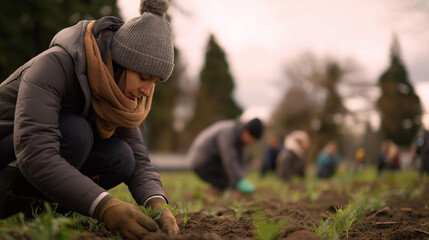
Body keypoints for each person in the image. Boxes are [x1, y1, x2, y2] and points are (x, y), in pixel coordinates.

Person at [0, 0, 179, 239]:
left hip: (33, 162)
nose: (147, 92)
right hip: (11, 151)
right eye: (144, 77)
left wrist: (157, 203)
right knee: (76, 133)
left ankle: (47, 213)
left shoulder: (115, 91)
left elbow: (138, 157)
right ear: (119, 62)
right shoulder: (54, 66)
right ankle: (10, 207)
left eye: (154, 83)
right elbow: (35, 152)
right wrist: (103, 206)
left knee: (122, 157)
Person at [188, 118, 264, 195]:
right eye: (252, 139)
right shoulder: (228, 132)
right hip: (201, 161)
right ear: (246, 132)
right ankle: (218, 191)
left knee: (229, 178)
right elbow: (229, 160)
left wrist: (242, 179)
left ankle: (218, 190)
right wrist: (237, 183)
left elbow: (241, 162)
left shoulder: (241, 141)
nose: (251, 143)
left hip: (214, 160)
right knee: (227, 178)